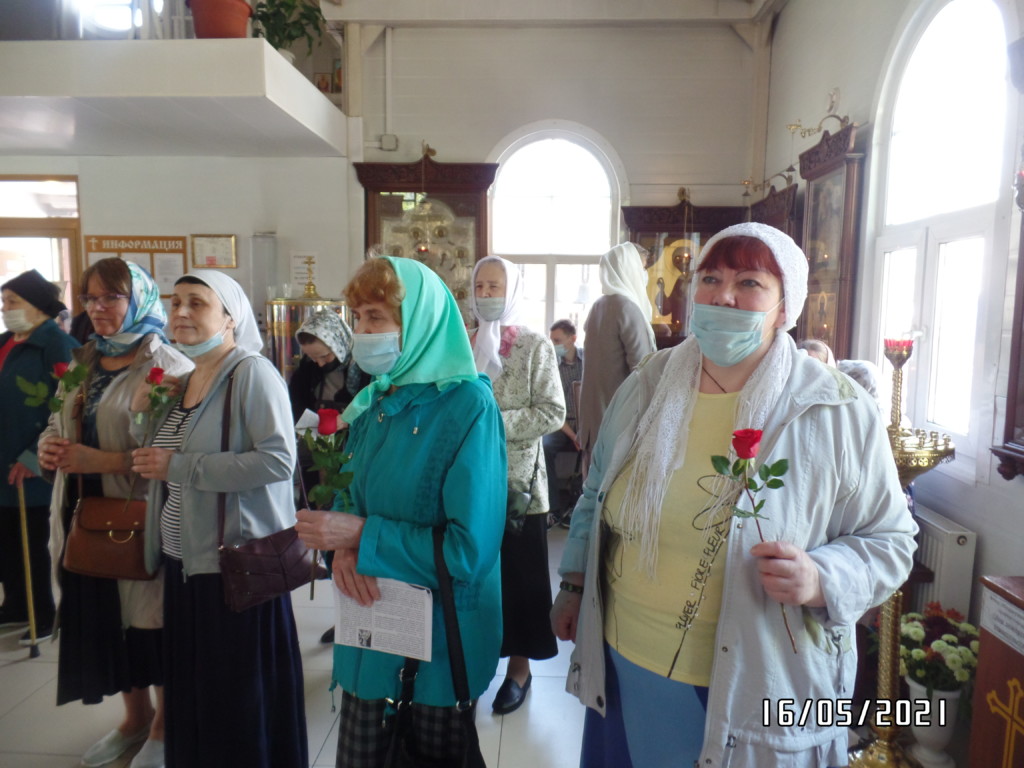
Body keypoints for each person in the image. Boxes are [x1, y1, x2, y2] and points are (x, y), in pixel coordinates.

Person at [550, 222, 918, 768]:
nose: (724, 295)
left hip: (757, 678)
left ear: (784, 306)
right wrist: (574, 584)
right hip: (625, 659)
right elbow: (596, 493)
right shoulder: (648, 385)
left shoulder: (835, 408)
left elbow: (891, 540)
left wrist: (822, 578)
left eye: (749, 282)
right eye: (711, 278)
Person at [294, 256, 506, 767]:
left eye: (377, 317)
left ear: (421, 323)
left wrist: (361, 536)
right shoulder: (377, 401)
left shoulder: (468, 407)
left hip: (435, 645)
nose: (363, 332)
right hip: (371, 625)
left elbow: (467, 553)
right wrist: (344, 550)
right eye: (358, 317)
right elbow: (350, 494)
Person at [128, 271, 307, 768]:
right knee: (197, 692)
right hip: (185, 563)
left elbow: (278, 461)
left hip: (232, 566)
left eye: (197, 303)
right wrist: (143, 411)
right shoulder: (187, 378)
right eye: (175, 303)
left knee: (235, 699)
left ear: (231, 318)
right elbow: (159, 453)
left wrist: (182, 467)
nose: (181, 312)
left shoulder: (251, 373)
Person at [38, 258, 192, 768]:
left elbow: (174, 453)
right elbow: (58, 422)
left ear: (139, 299)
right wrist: (48, 448)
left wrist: (101, 461)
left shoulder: (167, 364)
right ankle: (134, 717)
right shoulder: (84, 358)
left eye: (111, 297)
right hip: (85, 513)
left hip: (139, 515)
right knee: (105, 616)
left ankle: (165, 728)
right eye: (90, 298)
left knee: (148, 623)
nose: (97, 308)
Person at [470, 256, 565, 715]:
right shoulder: (462, 341)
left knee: (520, 579)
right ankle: (471, 665)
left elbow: (552, 411)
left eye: (496, 286)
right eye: (480, 286)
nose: (487, 294)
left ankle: (519, 669)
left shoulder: (532, 344)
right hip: (467, 481)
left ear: (512, 292)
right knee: (472, 576)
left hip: (517, 485)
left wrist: (491, 423)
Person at [0, 270, 78, 643]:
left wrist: (34, 457)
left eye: (12, 301)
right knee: (6, 539)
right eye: (3, 302)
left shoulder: (57, 344)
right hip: (2, 459)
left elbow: (68, 407)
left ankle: (43, 611)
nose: (5, 309)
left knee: (34, 541)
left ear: (37, 306)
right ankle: (16, 604)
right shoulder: (5, 342)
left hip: (35, 462)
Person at [286, 308, 369, 645]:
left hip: (354, 460)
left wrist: (342, 420)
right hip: (318, 458)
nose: (320, 363)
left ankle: (360, 612)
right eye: (314, 358)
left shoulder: (364, 370)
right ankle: (342, 612)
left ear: (340, 343)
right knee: (327, 535)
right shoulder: (305, 373)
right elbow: (296, 409)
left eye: (325, 356)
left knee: (351, 535)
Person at [577, 242, 656, 463]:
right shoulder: (626, 307)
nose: (644, 275)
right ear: (628, 268)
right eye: (642, 268)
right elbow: (643, 369)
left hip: (596, 417)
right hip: (620, 421)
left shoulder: (599, 305)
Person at [544, 318, 584, 525]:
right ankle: (554, 508)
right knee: (545, 446)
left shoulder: (590, 361)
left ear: (573, 339)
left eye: (557, 340)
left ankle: (581, 505)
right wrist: (573, 436)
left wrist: (583, 433)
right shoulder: (551, 366)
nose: (553, 345)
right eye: (551, 340)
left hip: (586, 421)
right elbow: (552, 407)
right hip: (561, 423)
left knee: (597, 447)